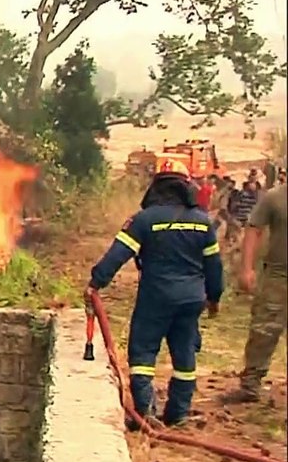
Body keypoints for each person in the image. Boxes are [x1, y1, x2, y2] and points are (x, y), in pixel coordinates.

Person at [86, 161, 223, 426]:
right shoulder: (203, 223)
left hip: (156, 297)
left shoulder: (144, 220)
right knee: (185, 354)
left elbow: (118, 255)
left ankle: (145, 413)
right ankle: (179, 413)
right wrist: (214, 297)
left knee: (143, 353)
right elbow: (214, 267)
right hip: (192, 299)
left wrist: (95, 282)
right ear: (187, 187)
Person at [225, 183, 288, 403]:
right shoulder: (275, 197)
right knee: (263, 330)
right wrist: (247, 268)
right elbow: (254, 229)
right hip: (278, 276)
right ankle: (250, 384)